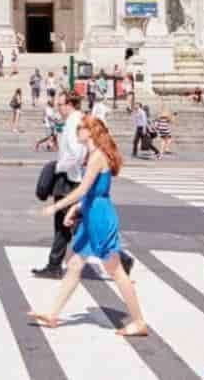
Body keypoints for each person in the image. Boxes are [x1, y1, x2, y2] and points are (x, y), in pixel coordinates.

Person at [30, 115, 149, 337]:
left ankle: (139, 321)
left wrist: (57, 208)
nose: (77, 131)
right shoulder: (92, 155)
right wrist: (76, 210)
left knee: (116, 271)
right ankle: (53, 314)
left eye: (80, 128)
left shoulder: (97, 157)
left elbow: (84, 189)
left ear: (91, 131)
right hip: (92, 213)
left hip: (100, 217)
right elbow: (90, 192)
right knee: (75, 263)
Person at [33, 93, 84, 279]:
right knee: (62, 225)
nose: (58, 109)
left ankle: (119, 258)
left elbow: (76, 153)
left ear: (70, 104)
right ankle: (54, 265)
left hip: (69, 178)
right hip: (71, 177)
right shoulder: (76, 120)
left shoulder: (72, 122)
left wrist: (58, 167)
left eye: (60, 105)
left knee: (75, 223)